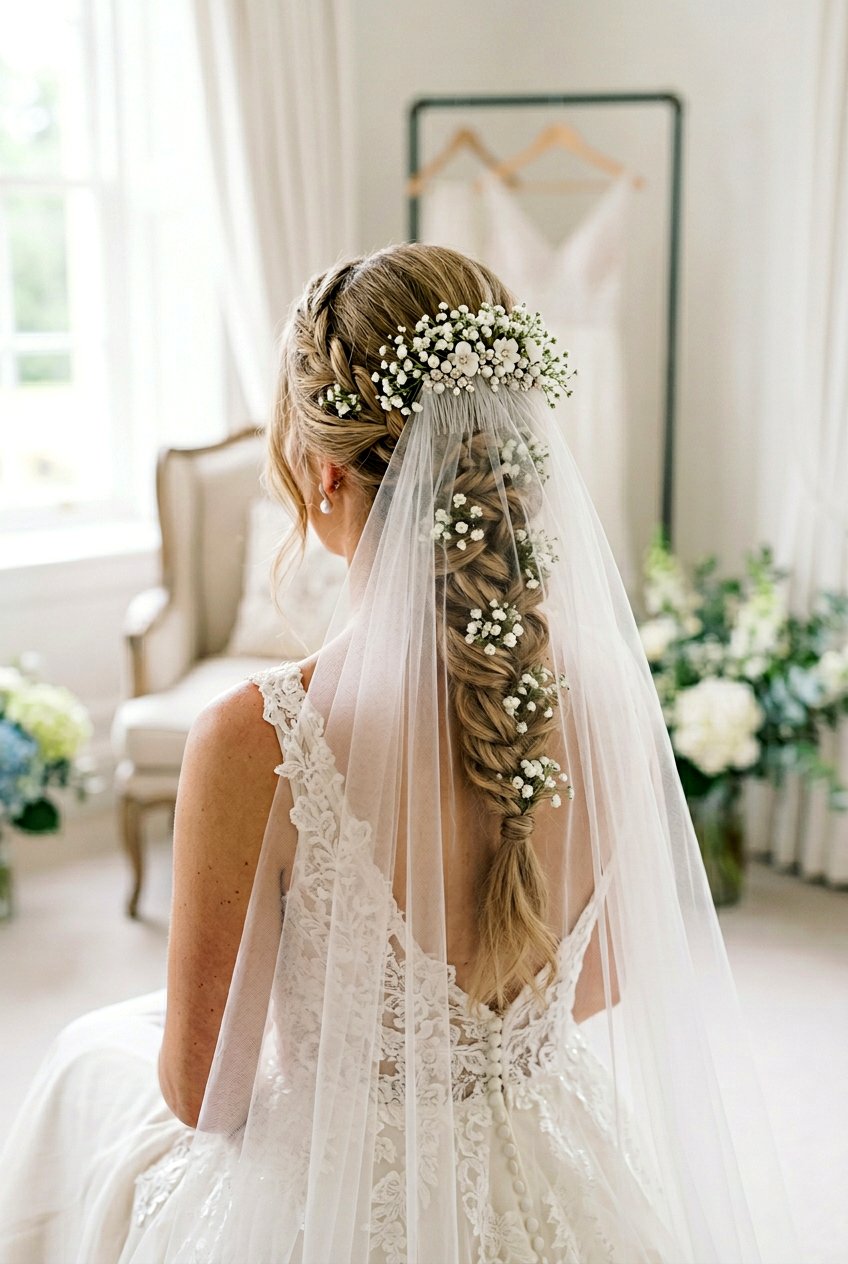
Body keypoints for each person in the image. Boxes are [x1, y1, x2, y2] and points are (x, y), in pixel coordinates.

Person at [0, 243, 797, 1264]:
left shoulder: (258, 737)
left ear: (322, 471)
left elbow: (204, 1095)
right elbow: (598, 981)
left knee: (82, 1066)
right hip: (544, 1174)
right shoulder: (610, 702)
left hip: (329, 1211)